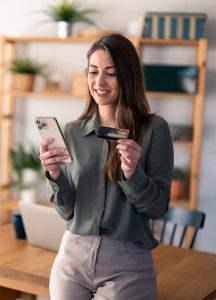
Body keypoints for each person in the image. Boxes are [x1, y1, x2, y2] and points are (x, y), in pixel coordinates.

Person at [39, 33, 173, 300]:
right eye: (93, 71)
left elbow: (157, 208)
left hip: (127, 263)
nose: (99, 82)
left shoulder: (153, 130)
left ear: (127, 76)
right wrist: (54, 175)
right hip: (72, 257)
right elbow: (67, 211)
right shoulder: (73, 131)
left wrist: (134, 174)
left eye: (110, 73)